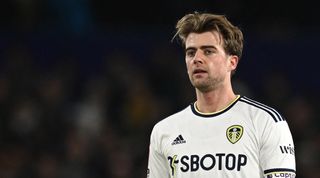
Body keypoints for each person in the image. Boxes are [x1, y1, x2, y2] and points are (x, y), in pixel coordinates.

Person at [146, 11, 296, 178]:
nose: (197, 58)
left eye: (208, 51)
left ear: (232, 62)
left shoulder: (266, 122)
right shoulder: (164, 131)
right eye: (191, 52)